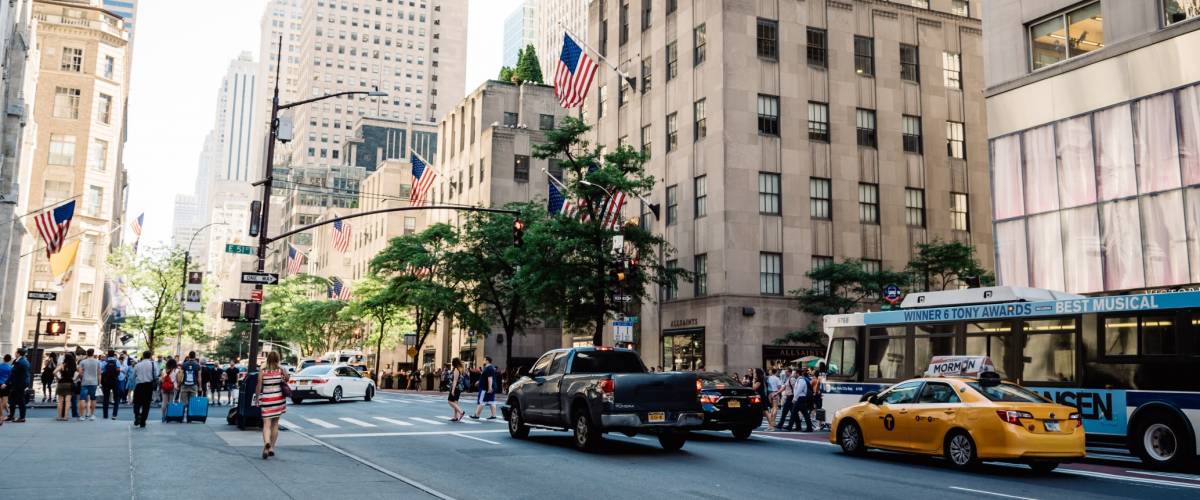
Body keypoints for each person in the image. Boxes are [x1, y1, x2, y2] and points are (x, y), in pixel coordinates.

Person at [256, 351, 288, 460]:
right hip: (278, 399)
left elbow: (259, 385)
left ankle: (266, 444)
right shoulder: (280, 369)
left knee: (266, 424)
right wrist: (283, 371)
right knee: (275, 424)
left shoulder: (263, 370)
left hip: (267, 399)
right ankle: (271, 448)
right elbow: (287, 379)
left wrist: (256, 398)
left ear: (268, 358)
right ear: (278, 359)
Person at [132, 351, 157, 428]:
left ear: (143, 356)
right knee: (146, 405)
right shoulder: (153, 364)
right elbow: (155, 375)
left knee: (136, 403)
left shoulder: (137, 365)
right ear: (150, 356)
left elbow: (133, 375)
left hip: (139, 385)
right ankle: (143, 421)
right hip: (148, 386)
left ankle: (137, 416)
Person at [76, 349, 101, 421]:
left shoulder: (82, 362)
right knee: (93, 399)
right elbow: (99, 373)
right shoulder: (97, 362)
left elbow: (80, 373)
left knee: (82, 399)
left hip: (85, 382)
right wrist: (99, 383)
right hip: (94, 382)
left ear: (87, 353)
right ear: (93, 353)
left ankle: (82, 416)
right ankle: (92, 415)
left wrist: (82, 378)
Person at [54, 353, 76, 422]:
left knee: (60, 401)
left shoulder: (62, 365)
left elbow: (54, 372)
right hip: (69, 383)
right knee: (67, 401)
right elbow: (81, 373)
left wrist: (58, 378)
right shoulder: (74, 366)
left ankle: (59, 416)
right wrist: (75, 379)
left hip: (61, 383)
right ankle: (65, 417)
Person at [100, 350, 121, 420]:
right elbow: (118, 370)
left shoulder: (104, 362)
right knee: (116, 398)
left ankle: (105, 415)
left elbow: (101, 371)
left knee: (106, 398)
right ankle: (114, 415)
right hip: (115, 381)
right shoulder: (117, 361)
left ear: (107, 355)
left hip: (106, 382)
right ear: (114, 354)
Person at [0, 354, 11, 425]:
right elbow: (11, 378)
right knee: (4, 401)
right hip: (6, 385)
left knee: (2, 401)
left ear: (3, 359)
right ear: (10, 360)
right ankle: (1, 416)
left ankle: (9, 413)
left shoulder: (0, 366)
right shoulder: (10, 368)